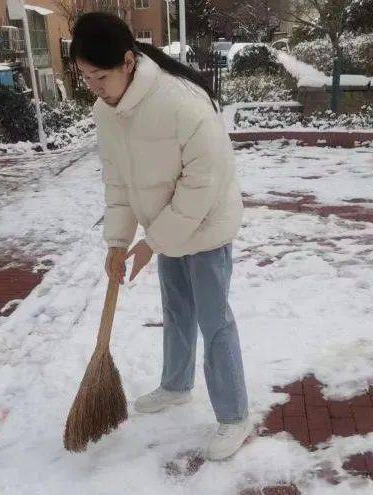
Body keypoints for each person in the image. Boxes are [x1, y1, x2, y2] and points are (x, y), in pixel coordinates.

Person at [70, 12, 250, 461]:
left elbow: (203, 181)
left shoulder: (180, 102)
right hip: (166, 224)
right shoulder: (106, 111)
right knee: (177, 310)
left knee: (214, 321)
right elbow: (119, 181)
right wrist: (117, 241)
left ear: (128, 62)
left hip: (205, 224)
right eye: (85, 77)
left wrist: (153, 240)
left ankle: (234, 416)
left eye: (100, 76)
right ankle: (176, 384)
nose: (93, 86)